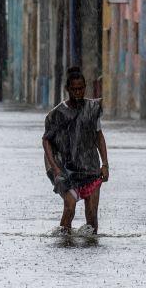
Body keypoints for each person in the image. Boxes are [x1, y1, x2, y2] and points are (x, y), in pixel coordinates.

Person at [42, 67, 109, 235]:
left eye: (81, 89)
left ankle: (89, 242)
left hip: (90, 168)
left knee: (92, 218)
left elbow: (99, 136)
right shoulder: (57, 114)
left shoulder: (93, 109)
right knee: (70, 207)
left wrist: (105, 164)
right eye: (74, 89)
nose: (78, 92)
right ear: (68, 89)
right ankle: (64, 241)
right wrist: (55, 169)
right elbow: (46, 141)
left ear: (85, 87)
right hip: (66, 169)